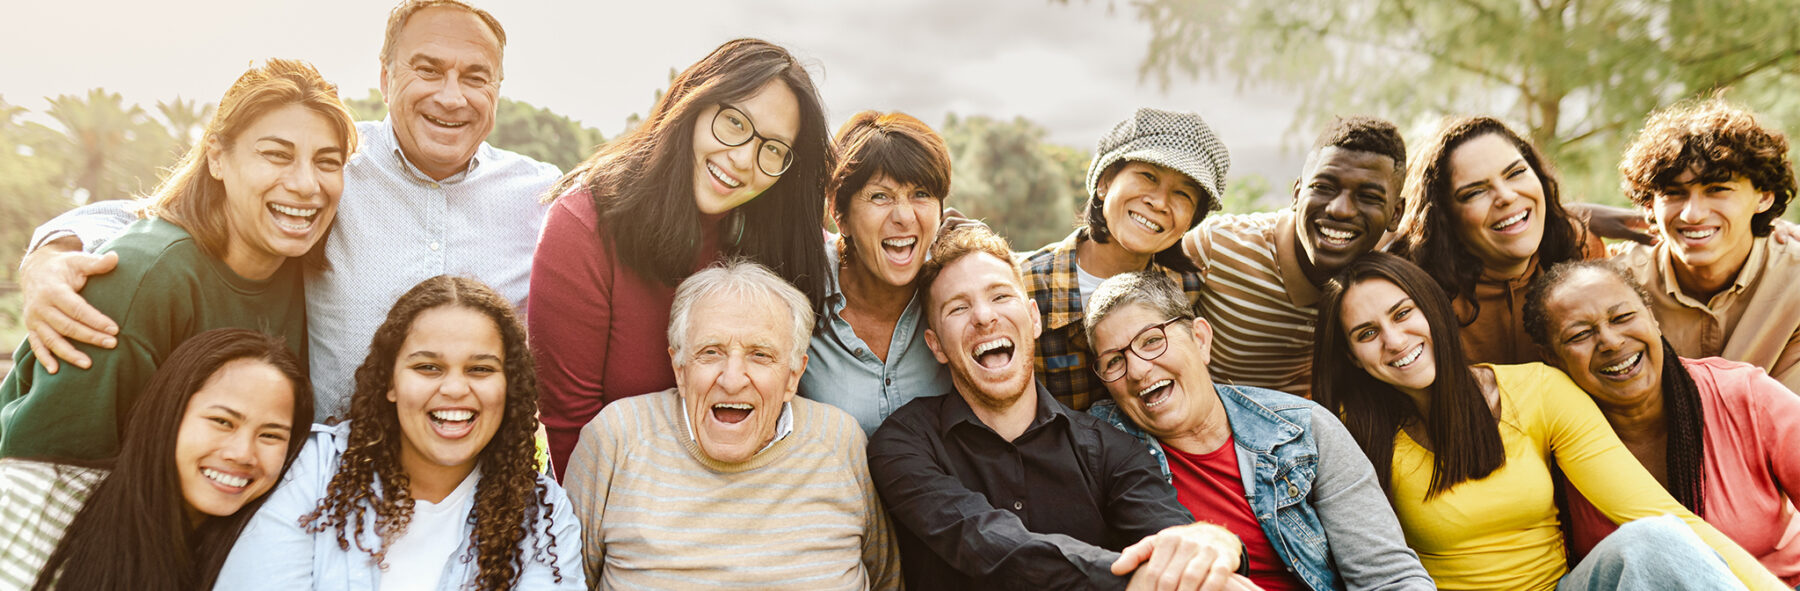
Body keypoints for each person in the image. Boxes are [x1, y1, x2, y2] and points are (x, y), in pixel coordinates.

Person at [18, 0, 559, 422]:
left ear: (497, 89)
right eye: (428, 69)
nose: (451, 96)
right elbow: (160, 214)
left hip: (469, 490)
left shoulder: (541, 200)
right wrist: (52, 253)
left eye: (475, 77)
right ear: (387, 77)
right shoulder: (330, 166)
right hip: (315, 483)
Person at [1311, 252, 1783, 590]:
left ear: (1432, 310)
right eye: (1367, 333)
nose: (1394, 341)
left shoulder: (1538, 390)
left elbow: (1657, 515)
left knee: (1652, 538)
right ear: (1352, 357)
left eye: (1403, 313)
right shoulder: (1350, 433)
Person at [0, 58, 352, 460]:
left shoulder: (310, 267)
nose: (307, 184)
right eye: (276, 154)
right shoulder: (141, 278)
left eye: (327, 162)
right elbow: (48, 474)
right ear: (217, 158)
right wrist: (46, 252)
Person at [870, 225, 1253, 591]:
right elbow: (979, 536)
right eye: (958, 308)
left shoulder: (1111, 451)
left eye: (1001, 296)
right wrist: (1131, 581)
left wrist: (1211, 543)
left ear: (1034, 318)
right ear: (935, 345)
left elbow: (1172, 535)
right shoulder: (903, 442)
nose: (985, 317)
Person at [531, 38, 831, 478]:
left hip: (763, 499)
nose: (744, 159)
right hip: (631, 509)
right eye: (733, 122)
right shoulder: (585, 226)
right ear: (693, 105)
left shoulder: (775, 233)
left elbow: (852, 247)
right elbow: (571, 432)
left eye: (772, 149)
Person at [213, 276, 583, 590]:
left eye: (480, 370)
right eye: (428, 367)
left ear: (510, 387)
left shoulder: (541, 515)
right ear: (390, 382)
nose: (454, 388)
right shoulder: (315, 469)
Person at [1084, 271, 1434, 591]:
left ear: (1201, 339)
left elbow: (1389, 576)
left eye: (1151, 340)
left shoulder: (1304, 430)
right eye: (1114, 361)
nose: (1136, 370)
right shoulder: (1096, 447)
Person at [564, 259, 900, 588]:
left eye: (760, 354)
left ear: (793, 376)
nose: (732, 379)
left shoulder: (839, 441)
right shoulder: (616, 437)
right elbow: (563, 578)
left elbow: (886, 579)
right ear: (680, 369)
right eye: (711, 352)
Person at [1524, 259, 1800, 585]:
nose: (1611, 341)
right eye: (1580, 334)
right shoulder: (1545, 444)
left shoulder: (1744, 395)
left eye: (1623, 317)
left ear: (1653, 318)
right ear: (1551, 358)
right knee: (1647, 541)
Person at [0, 328, 313, 591]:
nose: (243, 453)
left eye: (271, 435)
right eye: (222, 421)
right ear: (168, 415)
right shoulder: (24, 496)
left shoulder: (266, 562)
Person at [1182, 116, 1407, 398]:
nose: (1341, 210)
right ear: (1297, 194)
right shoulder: (1217, 248)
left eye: (1368, 196)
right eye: (1324, 188)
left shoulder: (1390, 286)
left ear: (1395, 214)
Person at [1023, 107, 1229, 410]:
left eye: (1183, 194)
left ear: (1192, 220)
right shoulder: (1025, 286)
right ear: (1105, 182)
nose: (1159, 202)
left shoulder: (1186, 288)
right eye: (1148, 176)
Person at [1611, 98, 1800, 392]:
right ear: (1649, 204)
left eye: (1718, 190)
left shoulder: (1794, 281)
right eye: (1674, 193)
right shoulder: (1616, 284)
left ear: (1764, 197)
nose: (1693, 214)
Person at [1389, 116, 1605, 365]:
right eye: (1475, 192)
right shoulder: (1411, 296)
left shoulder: (1582, 249)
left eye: (1516, 173)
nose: (1507, 196)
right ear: (1444, 216)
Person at [801, 110, 953, 435]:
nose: (904, 216)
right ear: (839, 215)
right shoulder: (799, 287)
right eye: (880, 196)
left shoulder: (957, 287)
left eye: (922, 194)